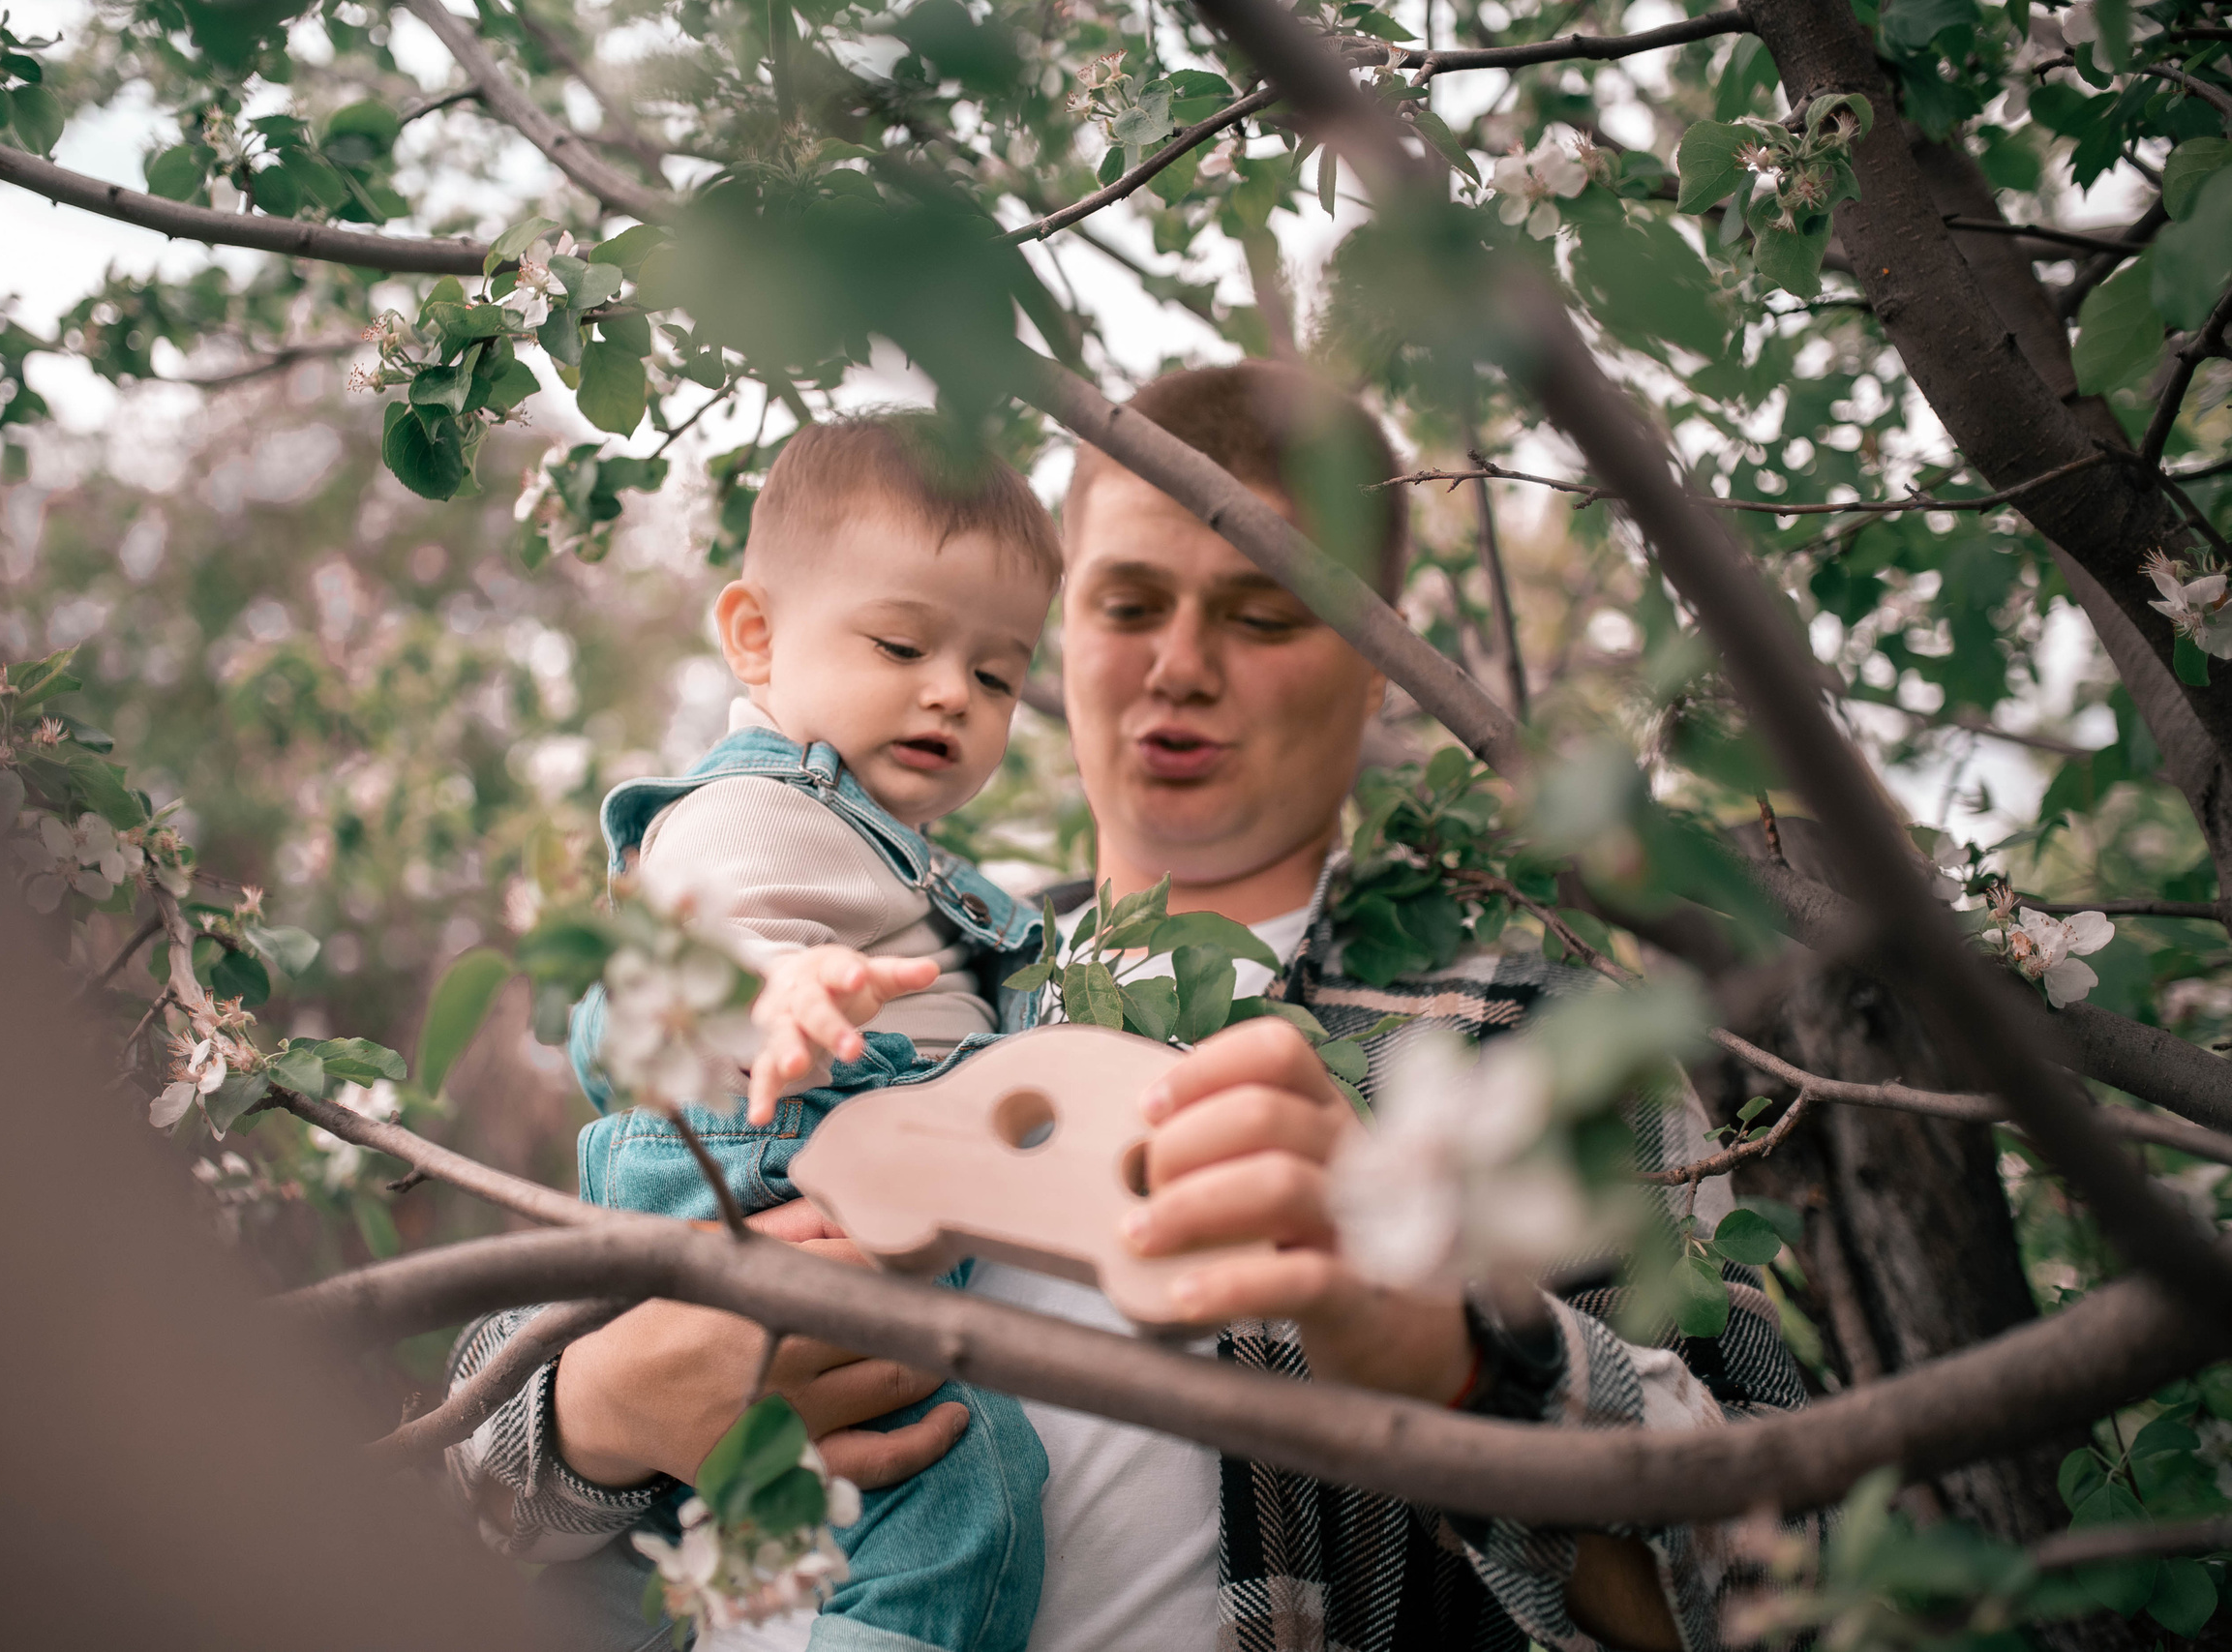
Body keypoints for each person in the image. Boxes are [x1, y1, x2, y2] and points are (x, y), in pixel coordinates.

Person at [446, 364, 1804, 1652]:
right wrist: (608, 1404)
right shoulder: (901, 959)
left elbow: (1779, 1587)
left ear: (1380, 657)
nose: (1182, 665)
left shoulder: (1543, 1038)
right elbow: (457, 1470)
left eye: (1265, 611)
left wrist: (1456, 1355)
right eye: (1128, 603)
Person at [559, 412, 1070, 1652]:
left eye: (998, 676)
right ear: (754, 636)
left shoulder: (883, 855)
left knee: (810, 1513)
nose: (952, 691)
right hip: (771, 1170)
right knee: (957, 1482)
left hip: (806, 1188)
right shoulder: (752, 804)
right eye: (902, 643)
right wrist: (776, 995)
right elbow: (688, 937)